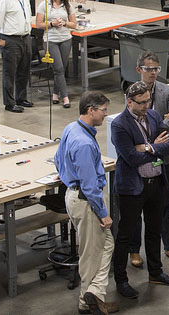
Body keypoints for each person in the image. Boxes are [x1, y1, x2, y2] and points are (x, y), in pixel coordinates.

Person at [111, 81, 169, 299]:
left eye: (148, 100)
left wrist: (147, 147)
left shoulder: (153, 116)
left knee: (154, 231)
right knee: (126, 235)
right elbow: (130, 158)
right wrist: (153, 148)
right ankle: (121, 280)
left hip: (155, 184)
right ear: (129, 101)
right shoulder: (119, 125)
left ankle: (156, 272)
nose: (146, 106)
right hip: (132, 188)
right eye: (141, 103)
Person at [54, 91, 116, 315]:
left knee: (107, 244)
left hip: (73, 194)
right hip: (86, 201)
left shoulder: (71, 128)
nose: (105, 115)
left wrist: (67, 174)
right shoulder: (84, 144)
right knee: (91, 254)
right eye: (103, 110)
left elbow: (57, 159)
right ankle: (85, 302)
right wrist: (103, 213)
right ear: (91, 110)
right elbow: (90, 187)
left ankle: (95, 292)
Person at [128, 51, 169, 268]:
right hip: (144, 157)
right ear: (139, 69)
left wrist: (152, 121)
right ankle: (134, 249)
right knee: (138, 202)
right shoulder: (132, 91)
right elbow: (132, 123)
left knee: (165, 199)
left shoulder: (167, 91)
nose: (153, 73)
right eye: (149, 69)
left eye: (156, 69)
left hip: (165, 157)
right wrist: (161, 119)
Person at [0, 0, 34, 113]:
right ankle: (9, 103)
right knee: (10, 73)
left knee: (24, 71)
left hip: (25, 38)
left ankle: (21, 98)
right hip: (11, 40)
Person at [36, 0, 76, 108]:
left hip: (65, 39)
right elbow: (39, 24)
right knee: (58, 68)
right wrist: (52, 24)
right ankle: (65, 97)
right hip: (51, 40)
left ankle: (55, 94)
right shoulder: (44, 5)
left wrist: (64, 23)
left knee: (61, 69)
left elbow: (74, 24)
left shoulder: (67, 5)